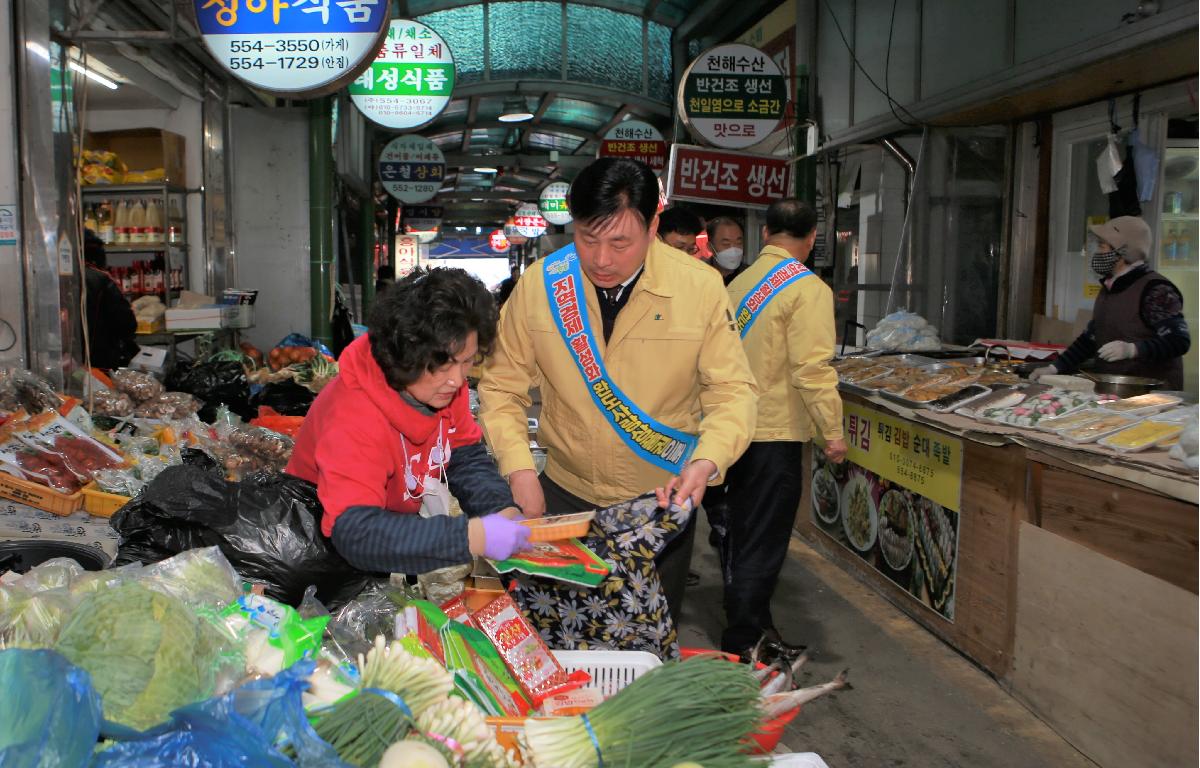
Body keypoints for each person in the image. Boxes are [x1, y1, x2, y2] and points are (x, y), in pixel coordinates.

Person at [478, 157, 758, 623]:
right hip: (563, 496)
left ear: (652, 228)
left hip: (660, 501)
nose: (602, 259)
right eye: (588, 238)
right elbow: (502, 387)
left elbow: (732, 392)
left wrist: (708, 460)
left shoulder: (699, 288)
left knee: (648, 637)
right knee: (558, 631)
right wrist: (519, 470)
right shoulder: (542, 285)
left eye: (620, 242)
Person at [286, 267, 533, 575]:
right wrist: (472, 537)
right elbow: (356, 532)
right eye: (442, 366)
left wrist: (499, 508)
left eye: (467, 362)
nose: (457, 381)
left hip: (390, 536)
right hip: (320, 557)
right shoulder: (353, 413)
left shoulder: (440, 388)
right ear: (405, 354)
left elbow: (463, 455)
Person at [723, 199, 847, 662]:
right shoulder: (807, 289)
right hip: (774, 434)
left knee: (741, 531)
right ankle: (747, 638)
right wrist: (832, 430)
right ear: (812, 238)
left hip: (734, 430)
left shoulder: (740, 284)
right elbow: (812, 370)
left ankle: (750, 624)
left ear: (765, 233)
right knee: (764, 538)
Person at [1032, 216, 1190, 389]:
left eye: (1102, 246)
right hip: (1115, 390)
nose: (1097, 252)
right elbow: (1091, 338)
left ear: (1122, 252)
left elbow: (1178, 341)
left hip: (1152, 395)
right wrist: (1054, 368)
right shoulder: (1110, 287)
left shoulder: (1156, 290)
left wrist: (1133, 349)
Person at [82, 229, 139, 370]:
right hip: (100, 361)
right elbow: (127, 324)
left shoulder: (61, 277)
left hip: (69, 361)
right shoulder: (102, 279)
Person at [706, 216, 746, 285]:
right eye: (726, 244)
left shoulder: (751, 274)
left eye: (739, 243)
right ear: (710, 247)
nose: (733, 250)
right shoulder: (699, 275)